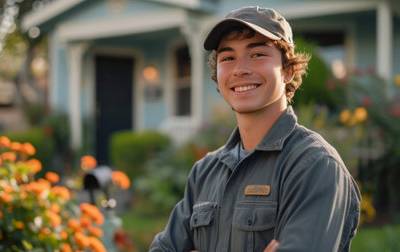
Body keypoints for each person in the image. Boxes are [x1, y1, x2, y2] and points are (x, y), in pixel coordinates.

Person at [149, 6, 361, 252]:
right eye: (228, 58)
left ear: (288, 70)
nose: (240, 69)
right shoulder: (204, 172)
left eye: (258, 54)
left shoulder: (314, 165)